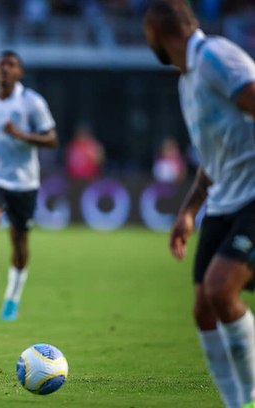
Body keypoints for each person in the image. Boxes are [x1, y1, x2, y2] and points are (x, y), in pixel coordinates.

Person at [144, 2, 255, 407]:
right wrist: (189, 210)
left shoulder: (214, 58)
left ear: (157, 34)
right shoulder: (187, 79)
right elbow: (214, 158)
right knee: (204, 308)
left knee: (220, 290)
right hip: (225, 201)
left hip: (252, 197)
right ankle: (235, 403)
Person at [0, 50, 58, 321]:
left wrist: (21, 135)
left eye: (11, 65)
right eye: (1, 65)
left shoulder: (32, 102)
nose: (5, 69)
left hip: (23, 180)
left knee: (19, 239)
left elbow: (52, 139)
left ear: (19, 73)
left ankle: (13, 297)